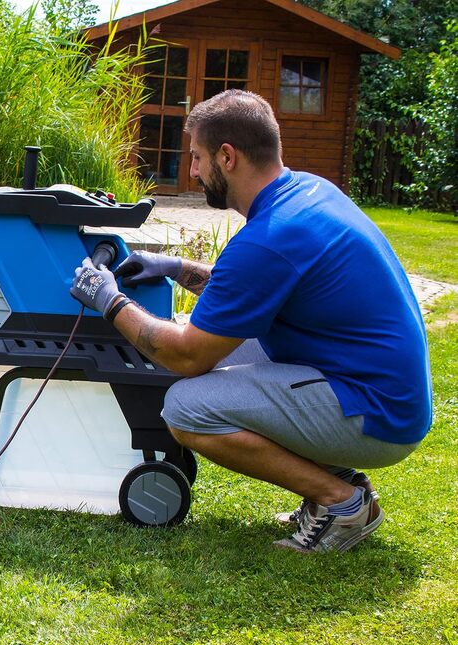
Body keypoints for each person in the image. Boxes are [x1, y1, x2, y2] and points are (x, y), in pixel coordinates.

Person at [70, 90, 432, 553]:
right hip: (370, 382)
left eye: (197, 158)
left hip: (377, 411)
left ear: (228, 156)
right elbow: (250, 291)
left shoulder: (271, 237)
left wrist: (109, 300)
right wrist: (177, 268)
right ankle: (337, 484)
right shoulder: (305, 192)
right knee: (200, 344)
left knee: (187, 406)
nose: (193, 171)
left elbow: (184, 355)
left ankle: (341, 503)